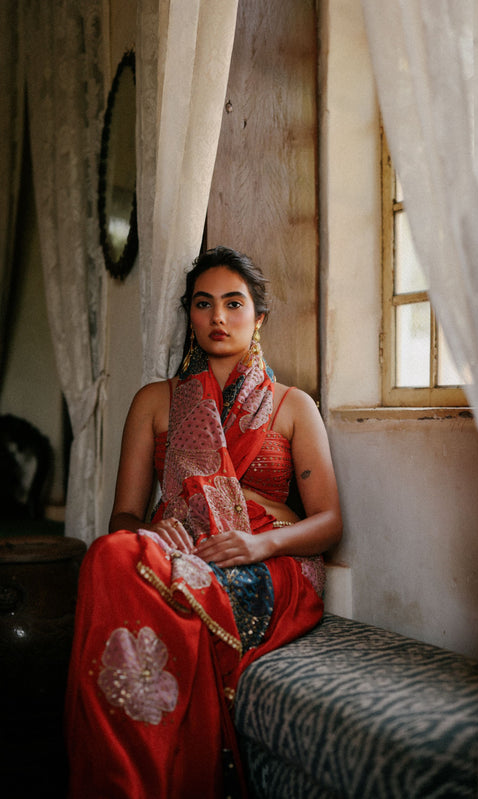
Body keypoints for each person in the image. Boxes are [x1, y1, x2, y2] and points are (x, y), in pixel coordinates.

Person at [65, 246, 342, 798]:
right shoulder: (154, 401)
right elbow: (123, 513)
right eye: (203, 303)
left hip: (265, 561)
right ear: (190, 316)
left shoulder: (292, 405)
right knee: (108, 553)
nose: (218, 317)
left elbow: (330, 521)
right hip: (176, 548)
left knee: (135, 572)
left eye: (233, 304)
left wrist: (258, 545)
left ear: (258, 318)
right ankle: (125, 778)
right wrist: (146, 530)